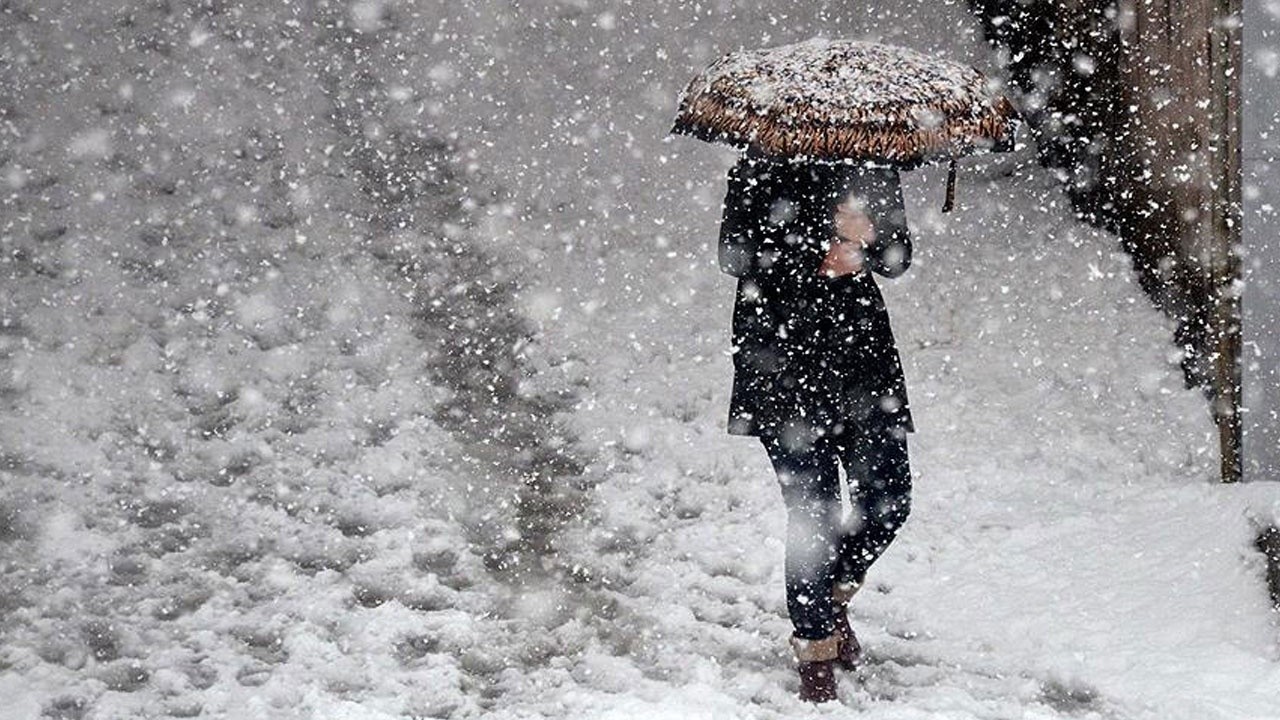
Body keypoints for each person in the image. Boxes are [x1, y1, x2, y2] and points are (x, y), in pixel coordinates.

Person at [717, 149, 915, 703]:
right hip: (781, 360)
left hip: (862, 362)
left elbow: (898, 259)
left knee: (889, 498)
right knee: (814, 515)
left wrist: (868, 241)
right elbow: (735, 255)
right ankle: (815, 655)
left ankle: (827, 599)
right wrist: (817, 245)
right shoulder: (759, 166)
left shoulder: (873, 165)